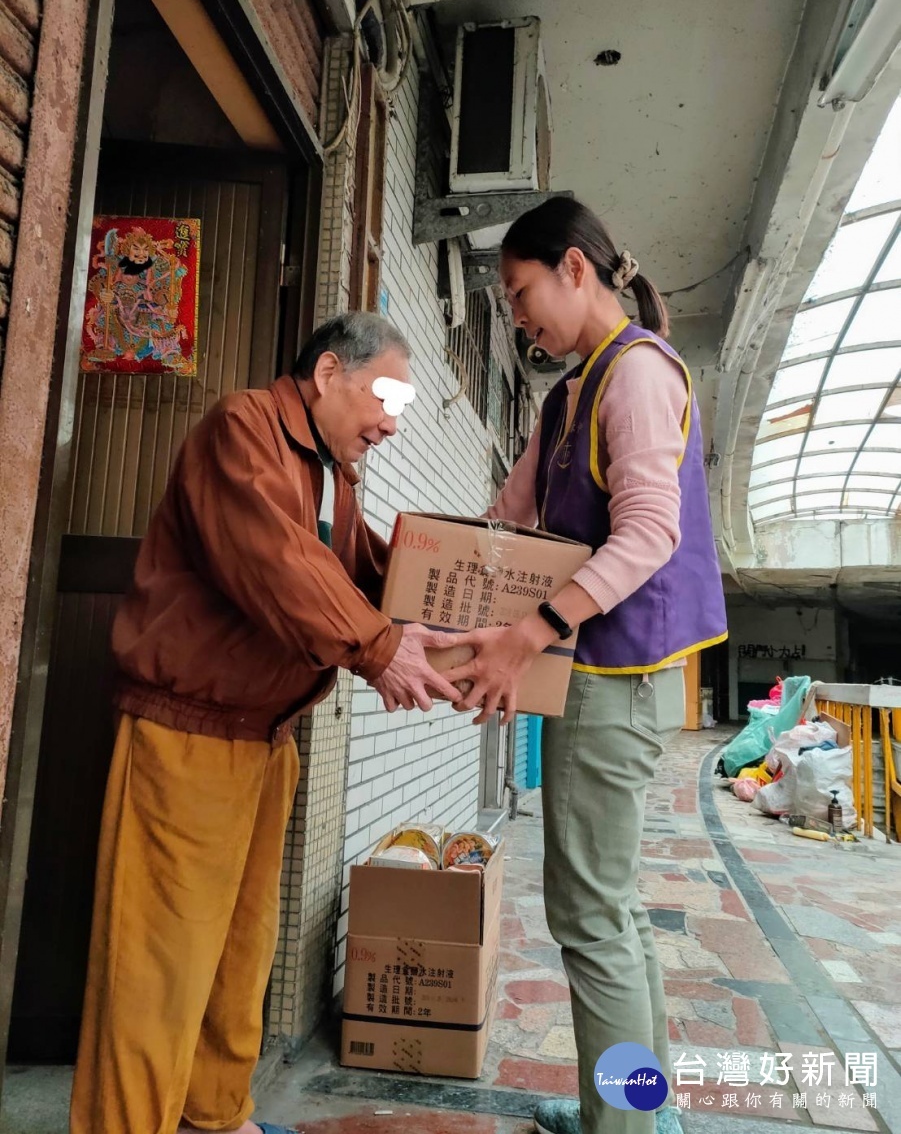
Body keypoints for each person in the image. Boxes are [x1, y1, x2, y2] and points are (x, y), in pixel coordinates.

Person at [69, 312, 461, 1134]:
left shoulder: (334, 475)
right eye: (384, 396)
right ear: (326, 374)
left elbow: (360, 575)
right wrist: (380, 646)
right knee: (157, 970)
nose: (391, 422)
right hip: (186, 735)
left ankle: (214, 1117)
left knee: (241, 952)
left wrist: (461, 619)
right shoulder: (240, 427)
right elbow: (276, 564)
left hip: (265, 739)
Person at [444, 197, 727, 1134]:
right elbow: (508, 520)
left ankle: (624, 1128)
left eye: (521, 293)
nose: (518, 317)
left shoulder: (636, 376)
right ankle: (642, 1112)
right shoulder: (570, 392)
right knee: (616, 912)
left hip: (614, 679)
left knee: (590, 920)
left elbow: (650, 531)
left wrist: (525, 632)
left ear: (575, 268)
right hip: (595, 677)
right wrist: (430, 597)